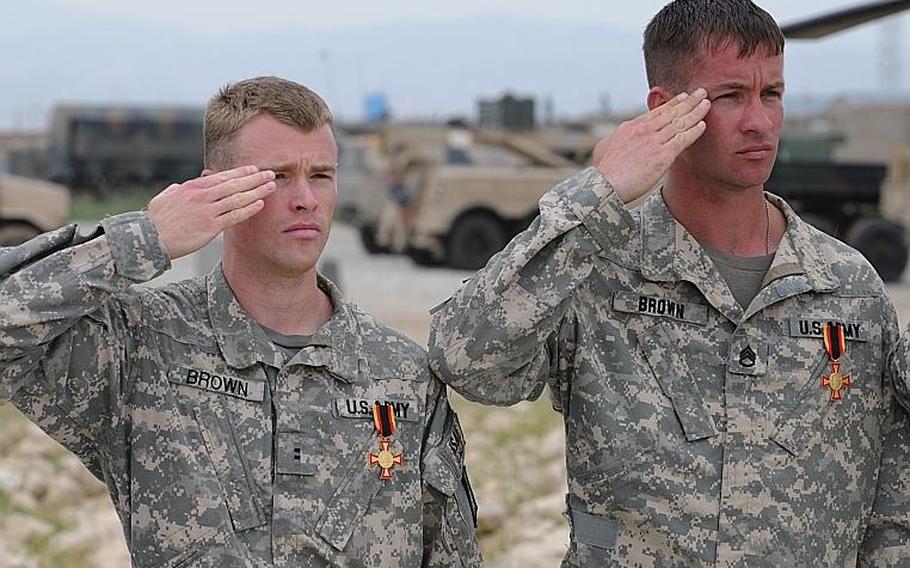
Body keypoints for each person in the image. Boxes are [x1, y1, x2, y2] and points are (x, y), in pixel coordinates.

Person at [428, 1, 907, 565]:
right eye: (730, 96)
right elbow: (468, 361)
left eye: (771, 94)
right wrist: (597, 195)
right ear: (664, 110)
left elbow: (890, 504)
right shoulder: (596, 267)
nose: (759, 121)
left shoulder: (849, 287)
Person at [0, 76, 481, 567]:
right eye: (277, 176)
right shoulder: (141, 346)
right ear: (216, 187)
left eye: (321, 176)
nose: (305, 199)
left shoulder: (402, 372)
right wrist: (143, 240)